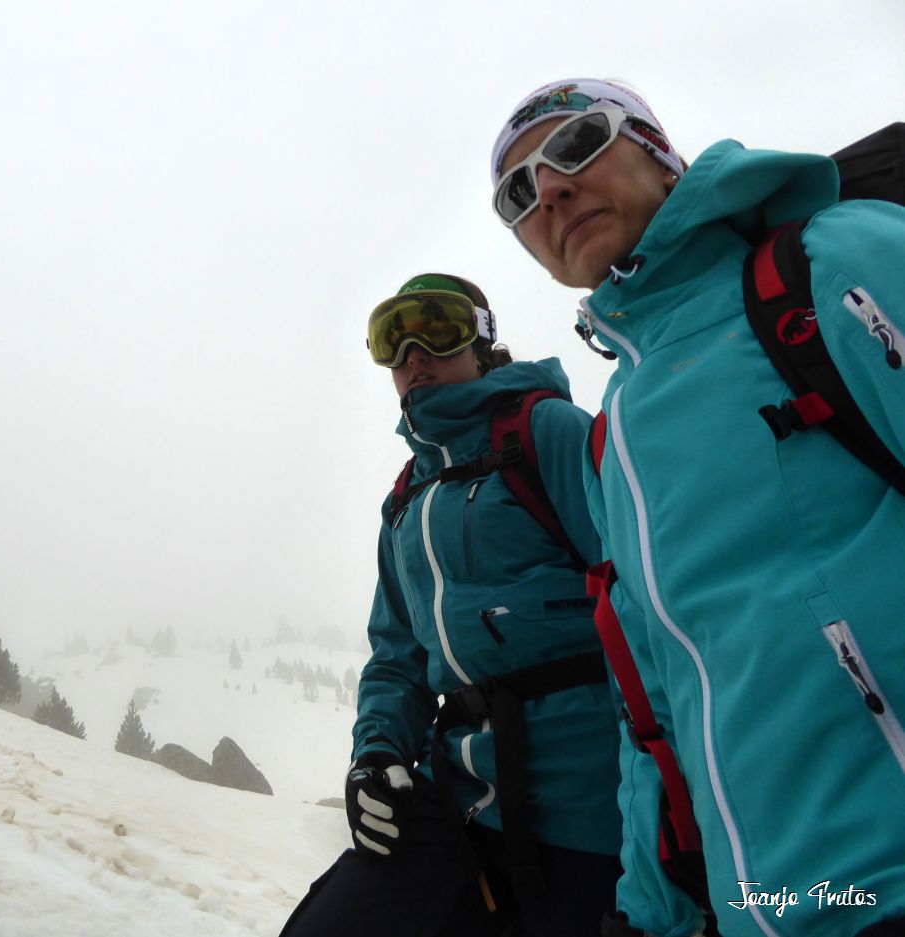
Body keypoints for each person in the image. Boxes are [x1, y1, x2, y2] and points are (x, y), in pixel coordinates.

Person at [490, 78, 905, 937]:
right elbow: (654, 710)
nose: (550, 189)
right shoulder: (613, 437)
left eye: (577, 144)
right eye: (517, 193)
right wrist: (650, 914)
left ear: (660, 154)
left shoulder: (833, 264)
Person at [279, 273, 622, 937]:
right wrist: (377, 753)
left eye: (437, 328)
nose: (414, 355)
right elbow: (398, 656)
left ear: (481, 340)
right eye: (392, 339)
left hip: (589, 793)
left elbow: (640, 594)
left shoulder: (545, 431)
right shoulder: (406, 499)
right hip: (457, 791)